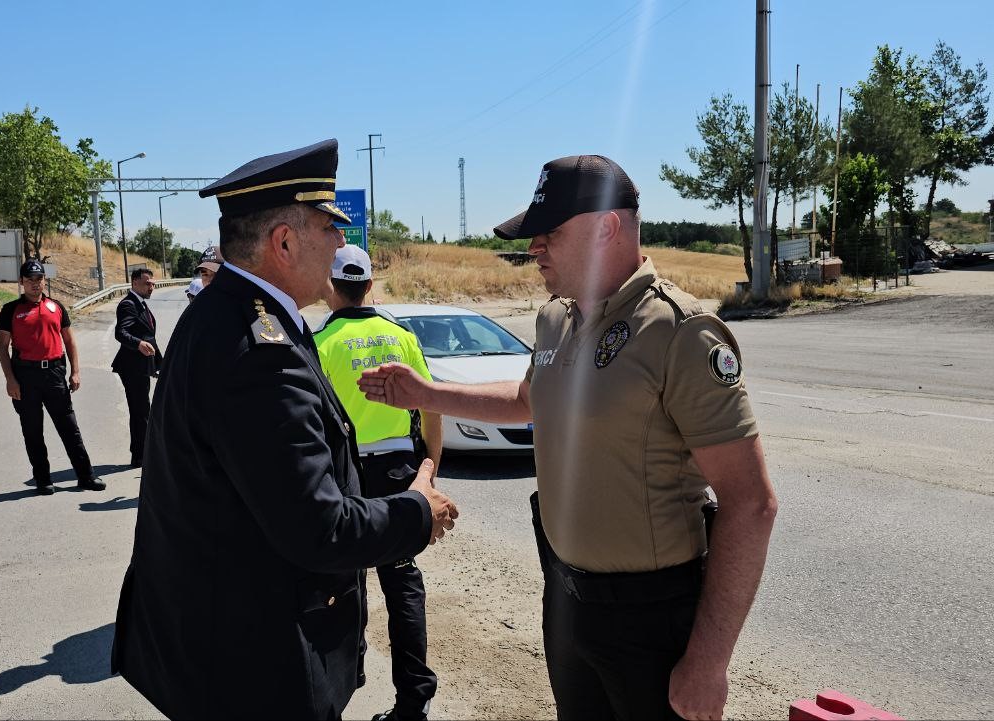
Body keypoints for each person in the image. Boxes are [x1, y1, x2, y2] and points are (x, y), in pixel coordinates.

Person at [359, 155, 778, 721]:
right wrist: (425, 394)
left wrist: (708, 660)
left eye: (549, 233)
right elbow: (528, 401)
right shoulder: (556, 318)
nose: (534, 248)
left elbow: (751, 503)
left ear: (608, 226)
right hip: (566, 602)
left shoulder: (681, 332)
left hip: (651, 616)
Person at [111, 139, 460, 720]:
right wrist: (416, 512)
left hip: (219, 638)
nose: (343, 243)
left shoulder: (230, 313)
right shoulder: (259, 350)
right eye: (332, 228)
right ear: (285, 242)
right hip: (253, 663)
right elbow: (317, 525)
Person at [314, 244, 443, 721]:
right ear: (370, 285)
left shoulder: (320, 343)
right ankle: (414, 699)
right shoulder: (400, 336)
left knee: (344, 580)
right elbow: (432, 408)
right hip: (398, 471)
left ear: (331, 288)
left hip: (343, 474)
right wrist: (428, 468)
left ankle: (349, 677)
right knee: (403, 581)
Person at [0, 259, 106, 494]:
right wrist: (10, 380)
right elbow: (2, 347)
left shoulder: (56, 307)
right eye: (30, 280)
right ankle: (43, 479)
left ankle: (86, 476)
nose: (35, 284)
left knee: (69, 427)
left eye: (39, 279)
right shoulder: (10, 311)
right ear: (21, 282)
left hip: (55, 373)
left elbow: (69, 340)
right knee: (32, 430)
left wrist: (75, 372)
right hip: (25, 376)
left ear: (44, 280)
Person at [111, 267, 162, 469]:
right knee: (140, 410)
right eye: (147, 283)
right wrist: (138, 344)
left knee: (143, 409)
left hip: (142, 364)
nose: (152, 286)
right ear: (134, 283)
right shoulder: (128, 305)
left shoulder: (140, 303)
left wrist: (159, 362)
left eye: (152, 283)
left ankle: (142, 453)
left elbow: (149, 336)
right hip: (132, 367)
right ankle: (140, 456)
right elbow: (120, 333)